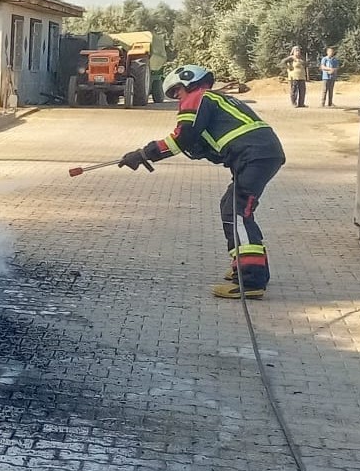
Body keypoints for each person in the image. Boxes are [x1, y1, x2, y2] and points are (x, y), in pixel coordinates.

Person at [115, 64, 286, 299]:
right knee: (232, 205)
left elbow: (182, 137)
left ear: (189, 82)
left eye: (177, 92)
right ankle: (247, 265)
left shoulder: (198, 97)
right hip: (259, 153)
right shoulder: (213, 100)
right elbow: (200, 145)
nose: (177, 99)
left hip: (254, 155)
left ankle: (250, 279)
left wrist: (144, 153)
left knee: (236, 211)